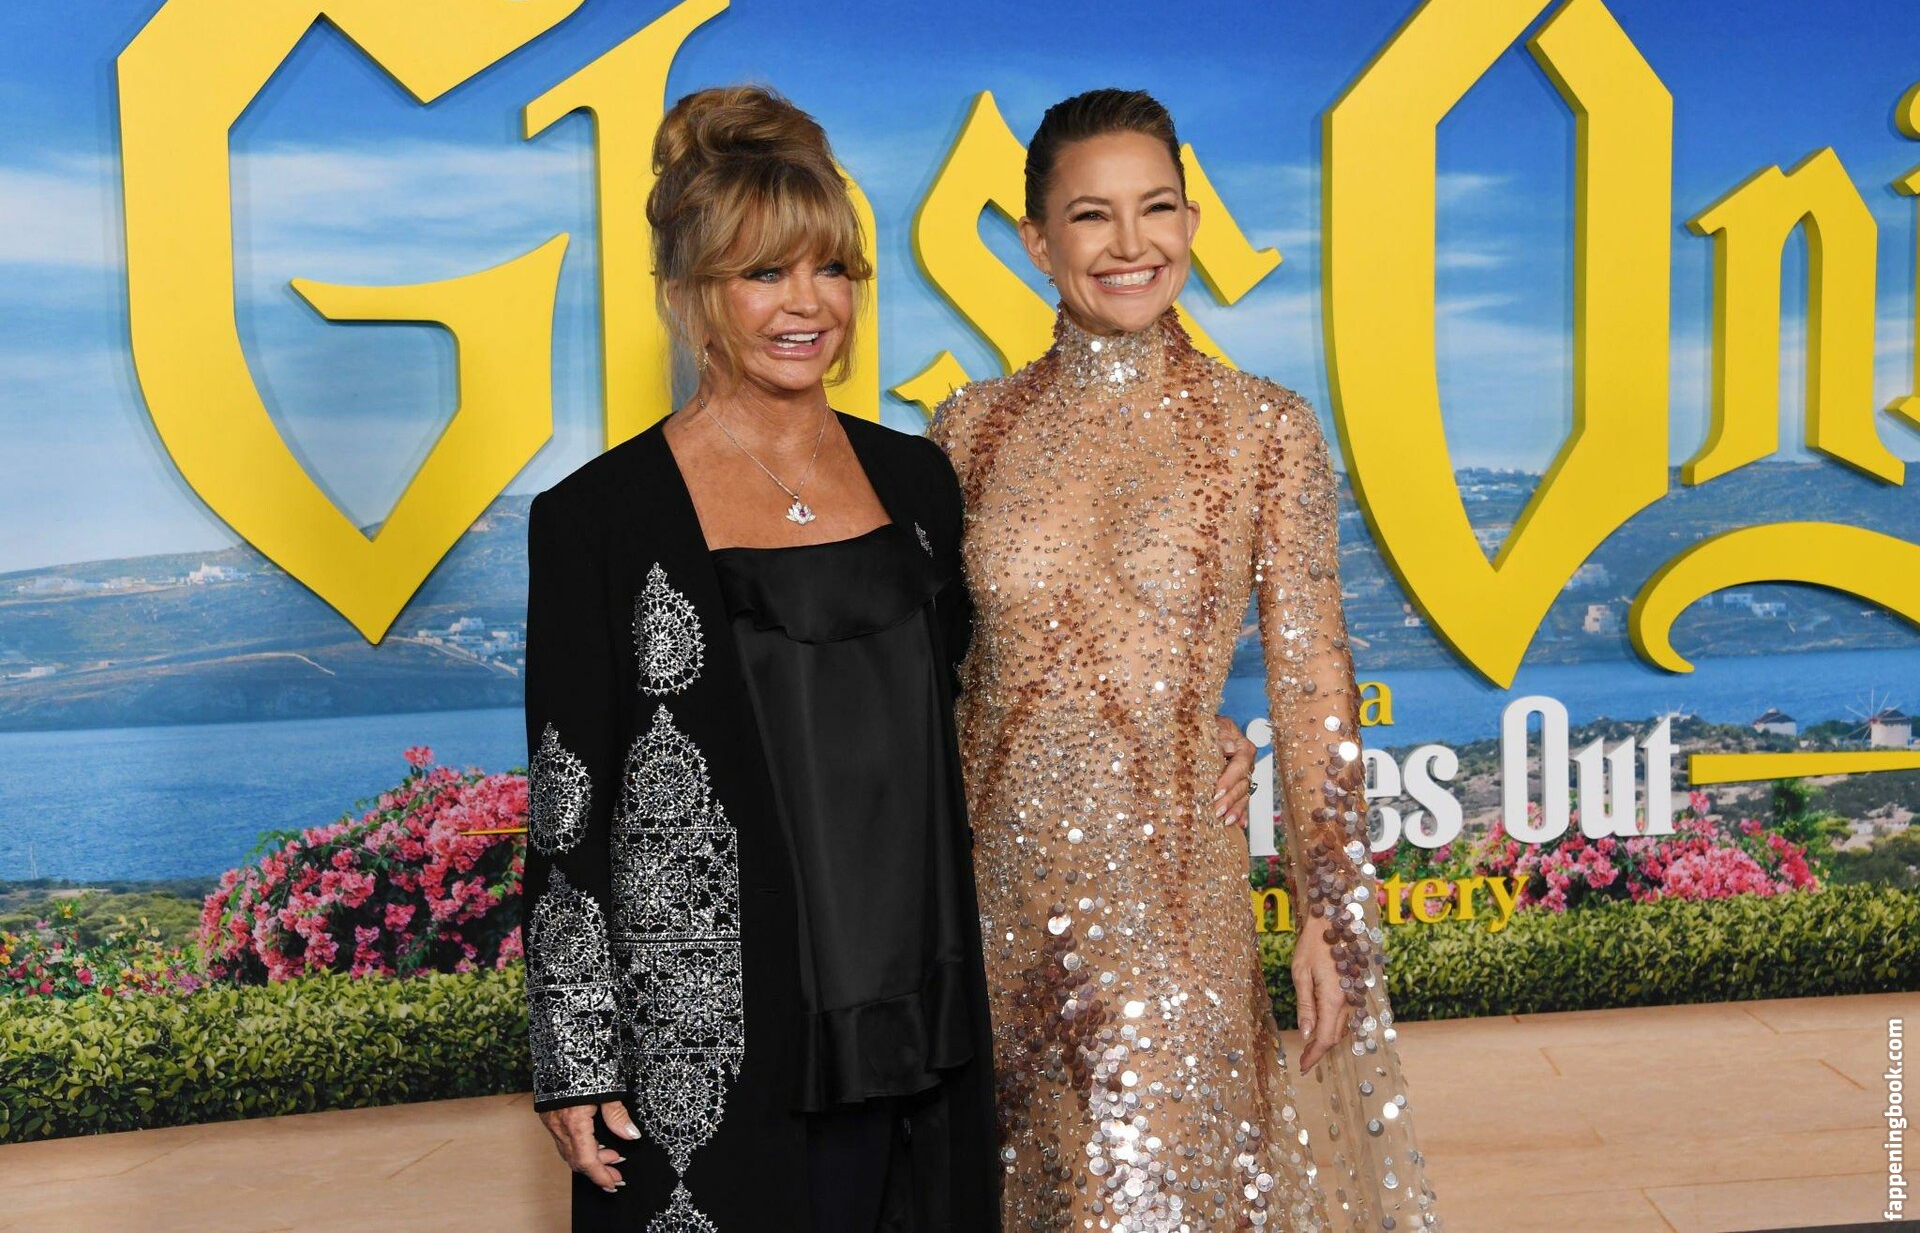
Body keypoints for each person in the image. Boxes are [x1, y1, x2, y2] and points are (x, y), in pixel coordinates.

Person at [519, 84, 1259, 1231]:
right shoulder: (598, 518)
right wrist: (574, 1054)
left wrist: (1175, 721)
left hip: (928, 1015)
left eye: (833, 269)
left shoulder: (918, 483)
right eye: (763, 272)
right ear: (690, 295)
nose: (806, 304)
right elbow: (568, 802)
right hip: (716, 1037)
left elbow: (999, 682)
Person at [929, 89, 1442, 1231]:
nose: (1131, 243)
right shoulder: (968, 432)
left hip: (1172, 907)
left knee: (1159, 1195)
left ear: (1193, 223)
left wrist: (1329, 915)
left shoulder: (1265, 430)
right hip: (988, 911)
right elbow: (930, 671)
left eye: (1156, 208)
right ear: (1037, 242)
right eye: (1092, 215)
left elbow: (1312, 684)